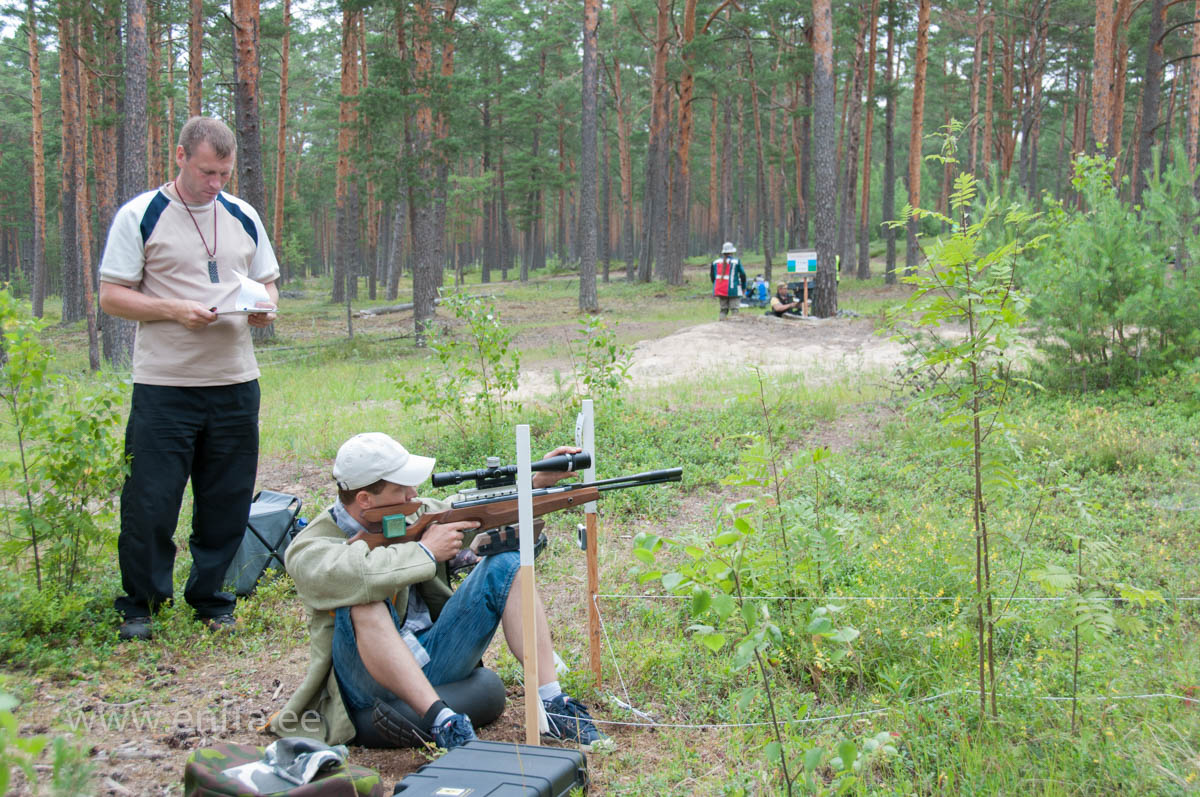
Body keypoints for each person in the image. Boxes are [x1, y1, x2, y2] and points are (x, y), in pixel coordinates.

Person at [269, 433, 614, 753]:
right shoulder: (309, 549)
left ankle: (552, 703)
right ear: (364, 499)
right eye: (402, 490)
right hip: (366, 683)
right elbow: (360, 573)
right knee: (364, 601)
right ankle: (443, 724)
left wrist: (533, 482)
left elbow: (463, 507)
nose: (413, 496)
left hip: (431, 654)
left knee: (508, 562)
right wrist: (425, 553)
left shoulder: (408, 512)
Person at [98, 116, 279, 641]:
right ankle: (141, 606)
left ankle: (211, 598)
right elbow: (111, 296)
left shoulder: (243, 215)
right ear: (179, 156)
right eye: (206, 172)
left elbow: (267, 286)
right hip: (165, 385)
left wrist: (265, 311)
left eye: (224, 173)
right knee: (151, 500)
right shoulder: (142, 214)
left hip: (235, 381)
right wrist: (173, 309)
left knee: (226, 498)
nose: (215, 183)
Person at [710, 241, 747, 320]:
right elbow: (743, 275)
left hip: (720, 289)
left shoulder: (715, 262)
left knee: (723, 310)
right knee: (734, 309)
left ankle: (721, 325)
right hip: (733, 289)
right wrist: (744, 287)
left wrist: (717, 285)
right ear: (732, 252)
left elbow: (712, 277)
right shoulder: (736, 262)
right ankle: (734, 327)